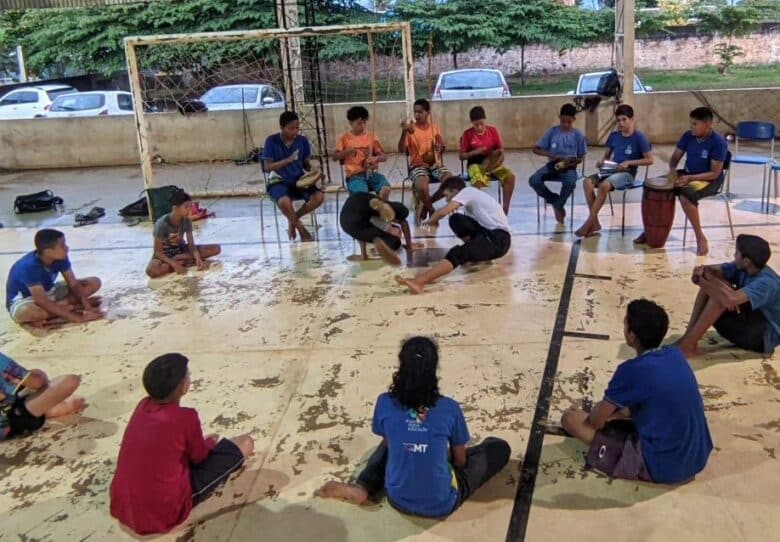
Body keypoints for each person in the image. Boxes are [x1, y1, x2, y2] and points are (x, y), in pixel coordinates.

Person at [316, 336, 511, 517]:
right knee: (497, 446)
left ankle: (363, 486)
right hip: (441, 504)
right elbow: (460, 461)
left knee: (387, 443)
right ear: (433, 370)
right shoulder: (449, 408)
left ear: (401, 367)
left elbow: (388, 440)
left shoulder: (384, 402)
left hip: (396, 498)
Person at [561, 299, 713, 485]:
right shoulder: (675, 354)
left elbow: (595, 422)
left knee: (572, 419)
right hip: (697, 456)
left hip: (664, 466)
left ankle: (635, 462)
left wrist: (598, 414)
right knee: (625, 411)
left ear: (632, 336)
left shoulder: (631, 370)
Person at [110, 353, 254, 535]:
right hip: (163, 511)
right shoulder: (186, 417)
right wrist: (208, 443)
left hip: (122, 505)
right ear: (183, 386)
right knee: (245, 443)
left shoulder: (142, 406)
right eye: (188, 375)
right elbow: (200, 458)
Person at [634, 107, 728, 256]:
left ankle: (700, 237)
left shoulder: (718, 143)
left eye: (695, 124)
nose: (691, 127)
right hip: (688, 174)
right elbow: (675, 158)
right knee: (654, 187)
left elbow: (714, 173)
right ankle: (649, 231)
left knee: (685, 195)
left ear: (708, 124)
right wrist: (672, 172)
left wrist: (689, 178)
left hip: (709, 179)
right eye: (690, 123)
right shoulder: (688, 136)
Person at [395, 177, 511, 295]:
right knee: (456, 219)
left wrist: (429, 221)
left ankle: (420, 281)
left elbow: (443, 212)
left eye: (446, 195)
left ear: (454, 190)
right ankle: (478, 256)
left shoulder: (468, 191)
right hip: (490, 235)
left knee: (457, 253)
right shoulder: (472, 197)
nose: (446, 200)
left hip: (498, 240)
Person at [676, 234, 780, 357]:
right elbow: (706, 270)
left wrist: (701, 280)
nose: (734, 255)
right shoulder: (743, 267)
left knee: (720, 296)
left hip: (763, 337)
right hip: (752, 318)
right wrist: (704, 277)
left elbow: (730, 299)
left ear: (746, 261)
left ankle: (688, 346)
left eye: (737, 253)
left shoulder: (767, 282)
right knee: (717, 288)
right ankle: (688, 338)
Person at [575, 104, 653, 237]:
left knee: (604, 185)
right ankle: (595, 222)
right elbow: (606, 156)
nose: (621, 123)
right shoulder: (614, 136)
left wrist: (629, 162)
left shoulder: (639, 138)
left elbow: (649, 160)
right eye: (618, 120)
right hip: (611, 168)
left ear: (631, 119)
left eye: (624, 120)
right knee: (587, 182)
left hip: (627, 173)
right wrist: (602, 162)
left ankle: (589, 222)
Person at [5, 229, 102, 328]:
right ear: (48, 251)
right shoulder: (29, 266)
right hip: (27, 300)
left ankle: (56, 310)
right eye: (62, 246)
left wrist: (87, 305)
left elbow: (73, 283)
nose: (67, 248)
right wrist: (79, 318)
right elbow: (41, 300)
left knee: (94, 282)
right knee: (29, 312)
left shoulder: (61, 256)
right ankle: (68, 307)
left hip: (50, 291)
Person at [262, 111, 325, 242]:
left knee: (319, 197)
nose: (295, 131)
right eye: (291, 128)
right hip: (278, 181)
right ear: (282, 127)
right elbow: (267, 167)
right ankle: (302, 229)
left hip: (298, 180)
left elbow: (305, 164)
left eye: (297, 128)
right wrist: (288, 160)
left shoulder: (302, 141)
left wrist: (315, 172)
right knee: (284, 201)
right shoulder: (271, 141)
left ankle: (293, 220)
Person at [1, 352, 86, 441]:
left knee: (31, 375)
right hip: (11, 421)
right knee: (69, 381)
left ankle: (42, 407)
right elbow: (37, 383)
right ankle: (48, 410)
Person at [397, 99, 455, 222]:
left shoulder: (435, 127)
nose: (417, 115)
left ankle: (426, 205)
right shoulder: (410, 129)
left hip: (435, 164)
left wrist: (439, 148)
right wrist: (403, 132)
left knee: (450, 181)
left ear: (427, 112)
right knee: (423, 187)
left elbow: (442, 146)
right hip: (417, 165)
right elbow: (401, 150)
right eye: (415, 112)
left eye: (420, 112)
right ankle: (432, 211)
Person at [529, 103, 588, 224]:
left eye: (569, 122)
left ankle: (558, 204)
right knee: (534, 180)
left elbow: (582, 156)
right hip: (553, 165)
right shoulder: (552, 132)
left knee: (570, 183)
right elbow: (536, 149)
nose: (566, 124)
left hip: (569, 167)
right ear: (559, 118)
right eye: (563, 121)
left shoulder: (578, 135)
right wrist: (551, 155)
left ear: (574, 120)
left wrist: (573, 161)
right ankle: (556, 201)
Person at [146, 191, 221, 278]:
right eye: (186, 207)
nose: (189, 210)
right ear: (175, 208)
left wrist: (197, 258)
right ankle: (183, 262)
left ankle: (182, 260)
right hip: (165, 255)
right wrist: (173, 264)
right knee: (151, 270)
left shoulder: (186, 220)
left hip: (181, 250)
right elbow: (158, 252)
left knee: (216, 248)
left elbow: (191, 245)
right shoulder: (161, 224)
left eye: (190, 207)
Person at [457, 106, 516, 215]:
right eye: (476, 125)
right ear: (472, 123)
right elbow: (461, 156)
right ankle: (478, 211)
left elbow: (500, 151)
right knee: (478, 180)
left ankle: (505, 209)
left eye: (481, 123)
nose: (479, 127)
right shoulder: (468, 134)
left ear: (485, 120)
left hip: (492, 163)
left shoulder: (493, 131)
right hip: (474, 164)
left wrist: (496, 164)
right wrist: (475, 152)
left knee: (510, 177)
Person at [339, 191, 414, 266]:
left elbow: (402, 223)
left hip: (352, 213)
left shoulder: (379, 204)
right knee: (394, 242)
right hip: (350, 223)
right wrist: (409, 245)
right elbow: (360, 226)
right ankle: (375, 241)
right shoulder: (381, 212)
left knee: (369, 225)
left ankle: (375, 240)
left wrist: (409, 245)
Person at [333, 106, 390, 195]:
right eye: (359, 123)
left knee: (385, 187)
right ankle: (363, 204)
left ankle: (380, 205)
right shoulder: (345, 139)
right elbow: (335, 157)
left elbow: (384, 157)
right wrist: (346, 152)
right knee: (362, 194)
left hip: (371, 174)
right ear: (350, 122)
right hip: (354, 176)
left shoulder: (372, 137)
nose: (362, 125)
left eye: (364, 122)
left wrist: (376, 158)